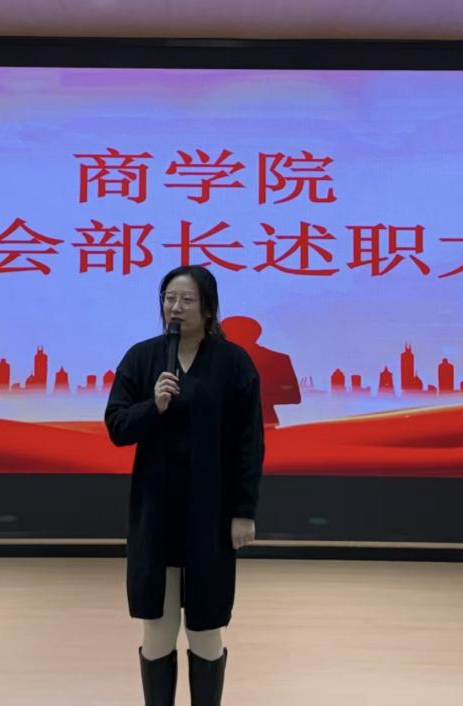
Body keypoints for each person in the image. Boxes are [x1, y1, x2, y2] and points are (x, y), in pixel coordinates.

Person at [104, 265, 265, 705]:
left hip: (210, 518)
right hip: (156, 515)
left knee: (205, 629)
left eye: (187, 300)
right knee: (158, 629)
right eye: (169, 298)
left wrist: (244, 511)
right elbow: (116, 426)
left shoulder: (234, 363)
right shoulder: (142, 358)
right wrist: (152, 406)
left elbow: (249, 443)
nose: (175, 307)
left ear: (209, 309)